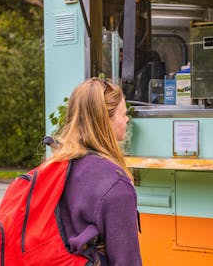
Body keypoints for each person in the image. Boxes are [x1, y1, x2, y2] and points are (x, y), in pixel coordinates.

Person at [48, 77, 143, 265]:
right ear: (106, 120)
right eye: (123, 114)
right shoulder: (116, 185)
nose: (127, 119)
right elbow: (126, 260)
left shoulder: (56, 165)